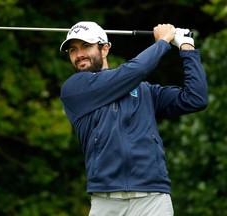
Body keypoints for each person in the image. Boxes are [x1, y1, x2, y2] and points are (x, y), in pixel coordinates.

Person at [59, 21, 208, 216]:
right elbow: (133, 72)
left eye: (86, 46)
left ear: (105, 49)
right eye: (73, 50)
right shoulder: (74, 90)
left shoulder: (145, 90)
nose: (79, 55)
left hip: (152, 199)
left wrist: (186, 46)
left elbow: (195, 98)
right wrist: (163, 41)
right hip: (105, 201)